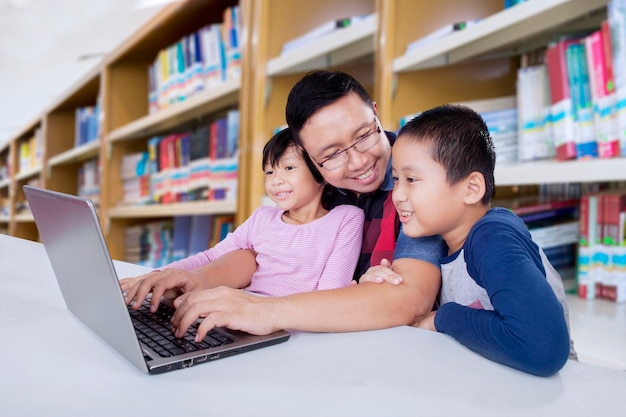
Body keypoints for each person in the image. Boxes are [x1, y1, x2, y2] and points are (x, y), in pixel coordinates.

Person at [123, 71, 446, 341]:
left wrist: (266, 309)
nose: (359, 161)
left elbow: (409, 298)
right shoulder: (321, 188)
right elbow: (255, 253)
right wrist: (190, 279)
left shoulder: (418, 175)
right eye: (331, 155)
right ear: (308, 157)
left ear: (376, 113)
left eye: (364, 135)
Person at [362, 104, 575, 376]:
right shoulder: (445, 241)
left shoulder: (492, 238)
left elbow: (542, 349)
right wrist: (381, 286)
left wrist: (444, 316)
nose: (398, 195)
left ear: (471, 188)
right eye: (396, 180)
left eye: (412, 179)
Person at [123, 128, 364, 307]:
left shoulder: (346, 219)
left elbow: (330, 296)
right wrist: (155, 277)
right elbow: (211, 256)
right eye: (269, 171)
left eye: (288, 168)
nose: (275, 180)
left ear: (320, 173)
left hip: (292, 321)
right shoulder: (263, 218)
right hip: (239, 310)